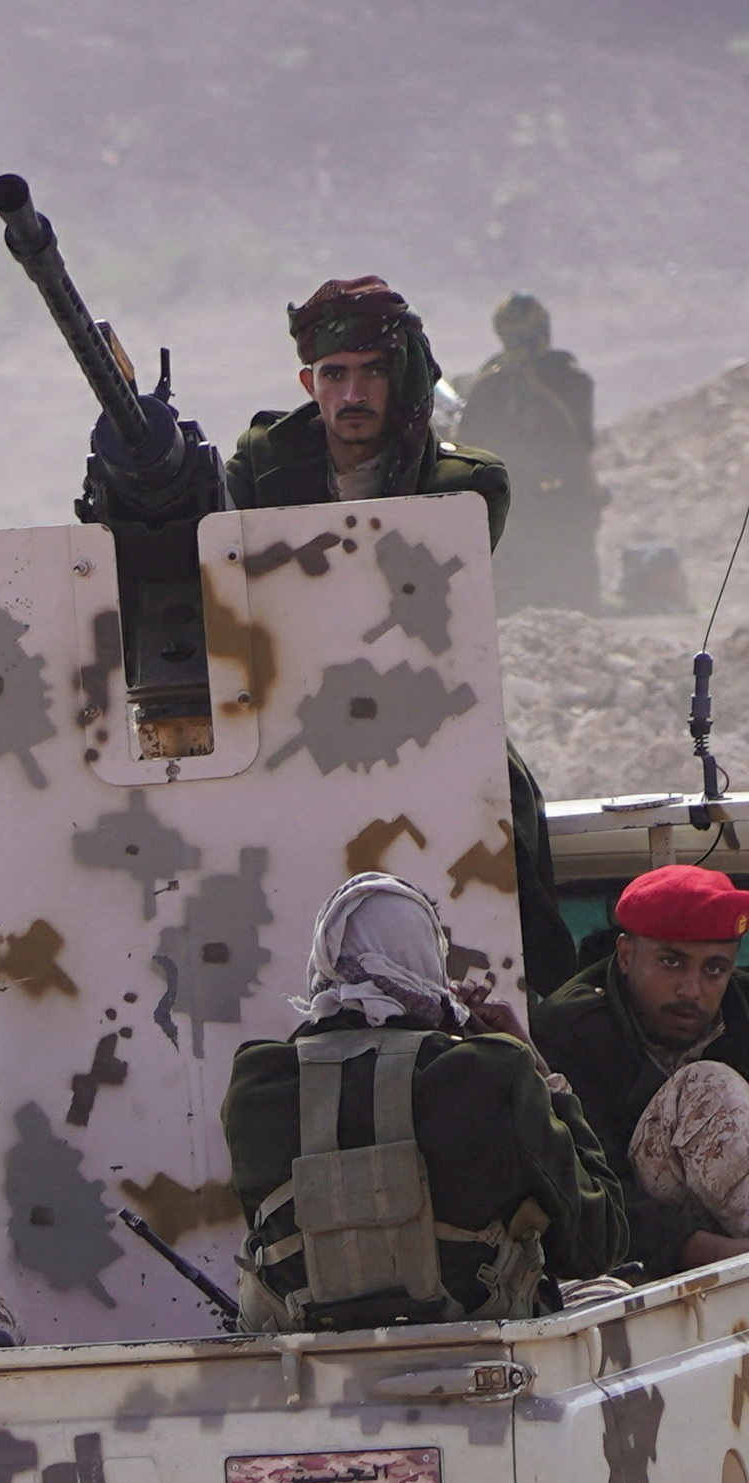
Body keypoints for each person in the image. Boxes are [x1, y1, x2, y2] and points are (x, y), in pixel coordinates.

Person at [223, 274, 573, 993]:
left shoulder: (463, 484)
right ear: (307, 381)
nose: (353, 396)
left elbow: (401, 586)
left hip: (422, 703)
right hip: (293, 706)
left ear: (404, 374)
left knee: (504, 805)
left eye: (375, 372)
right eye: (334, 375)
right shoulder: (265, 463)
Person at [219, 874, 627, 1329]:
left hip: (313, 1361)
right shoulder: (492, 1069)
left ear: (325, 961)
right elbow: (597, 1241)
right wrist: (533, 1063)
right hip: (484, 1343)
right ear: (427, 959)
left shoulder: (256, 1084)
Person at [533, 861, 749, 1273]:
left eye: (714, 969)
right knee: (708, 1086)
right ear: (625, 955)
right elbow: (590, 1184)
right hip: (653, 1237)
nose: (691, 990)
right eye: (671, 962)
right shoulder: (573, 1027)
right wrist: (693, 1247)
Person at [458, 294, 608, 614]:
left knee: (575, 598)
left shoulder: (569, 381)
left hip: (561, 502)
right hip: (519, 507)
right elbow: (469, 446)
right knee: (516, 601)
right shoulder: (491, 386)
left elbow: (580, 440)